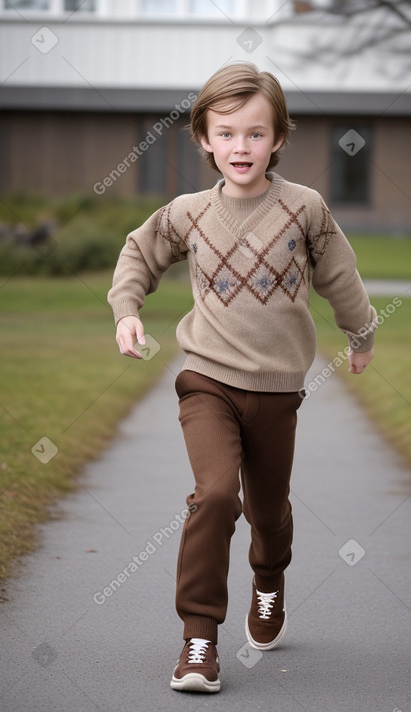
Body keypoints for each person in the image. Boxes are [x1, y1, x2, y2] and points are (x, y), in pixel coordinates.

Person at [107, 62, 377, 694]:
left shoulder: (305, 209)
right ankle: (199, 639)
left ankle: (268, 578)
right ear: (203, 137)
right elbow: (137, 253)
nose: (240, 147)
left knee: (269, 511)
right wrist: (126, 311)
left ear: (278, 138)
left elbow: (341, 275)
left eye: (255, 134)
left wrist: (361, 333)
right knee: (215, 496)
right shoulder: (188, 212)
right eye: (226, 134)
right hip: (207, 380)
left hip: (279, 389)